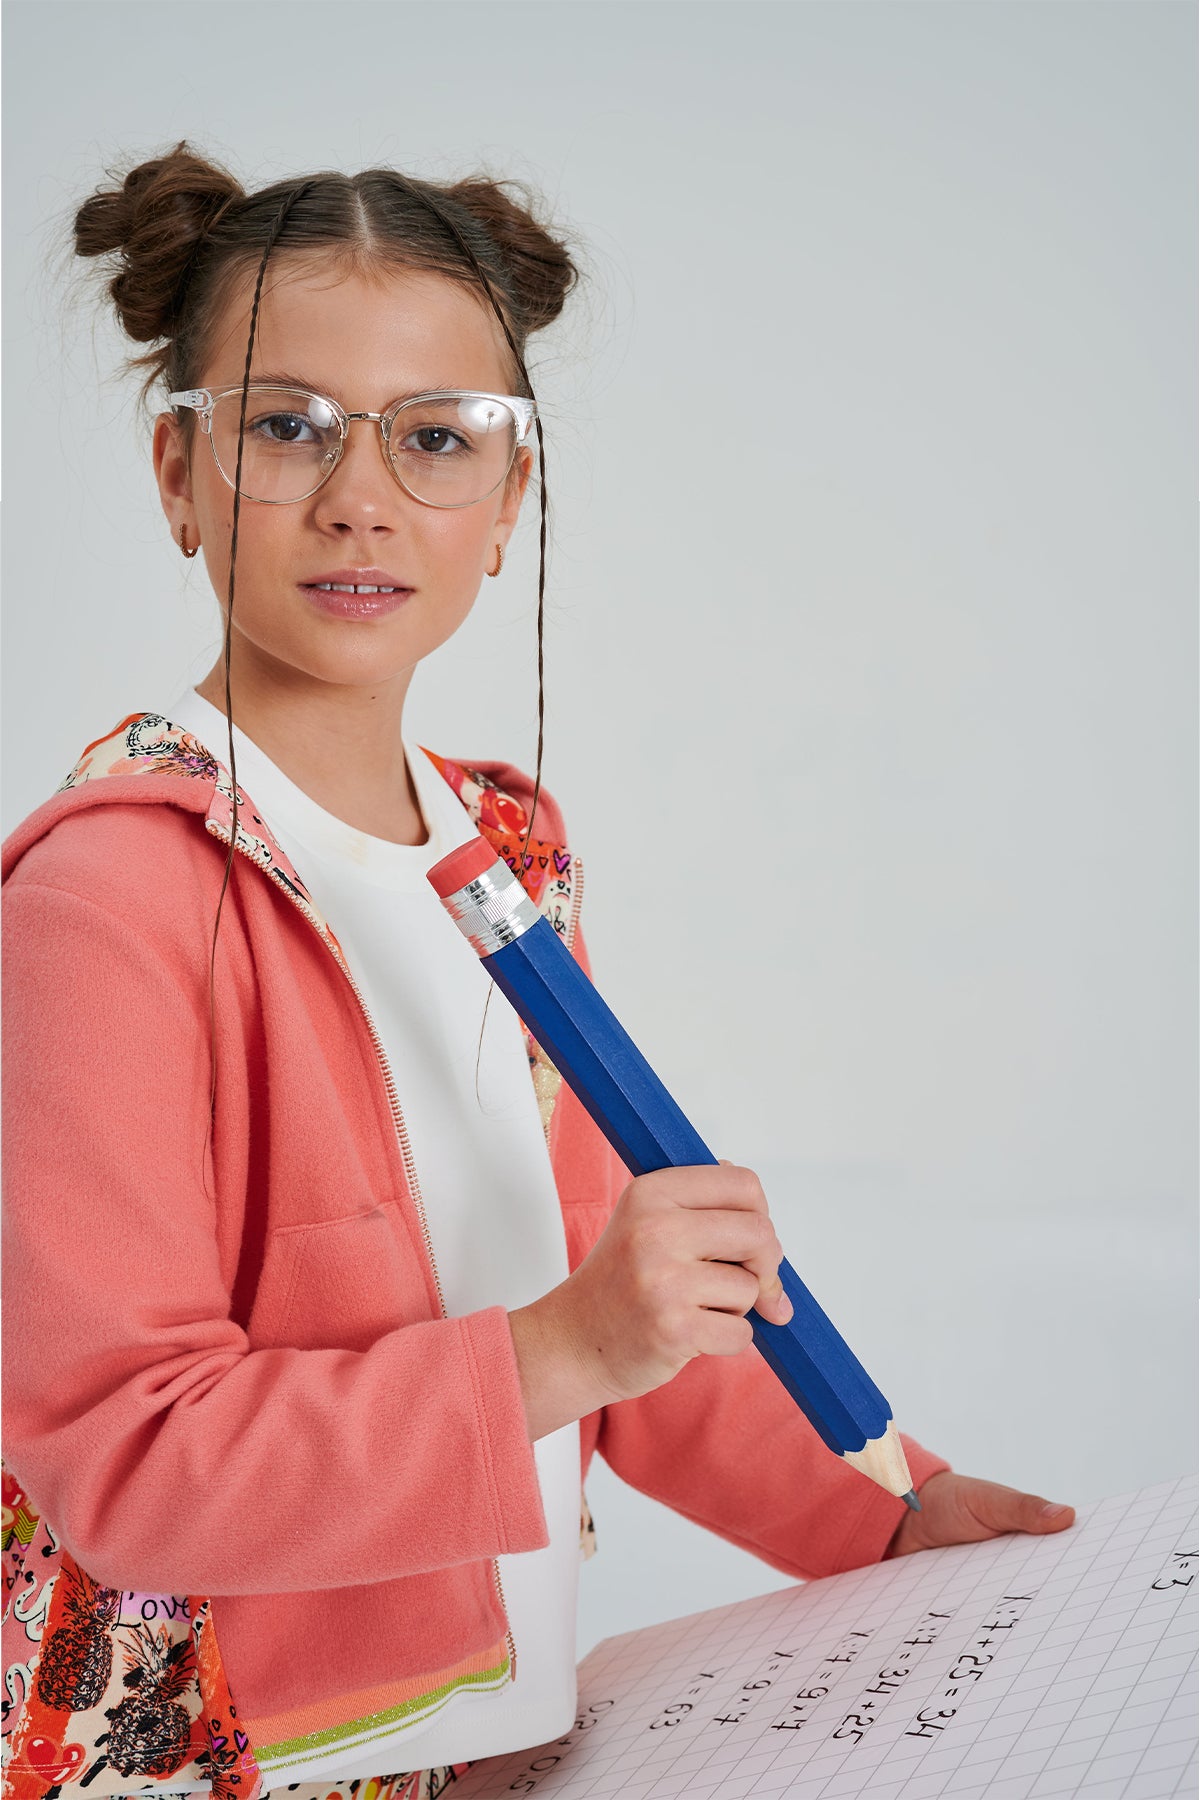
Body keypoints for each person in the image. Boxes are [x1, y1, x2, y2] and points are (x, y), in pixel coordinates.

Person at [1, 147, 1074, 1800]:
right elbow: (133, 1463)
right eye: (286, 426)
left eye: (437, 437)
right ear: (177, 472)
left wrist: (889, 1508)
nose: (361, 495)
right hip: (215, 1770)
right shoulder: (103, 903)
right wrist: (569, 1345)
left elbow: (617, 1303)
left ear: (509, 502)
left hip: (490, 1751)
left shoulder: (507, 866)